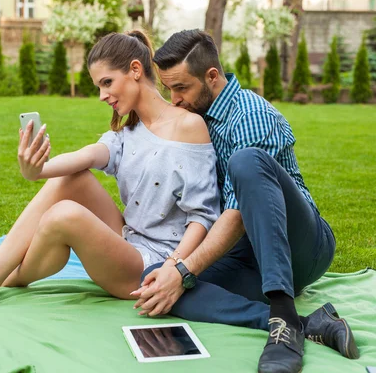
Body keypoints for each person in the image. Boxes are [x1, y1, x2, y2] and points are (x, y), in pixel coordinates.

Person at [0, 31, 220, 313]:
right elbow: (86, 156)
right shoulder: (129, 131)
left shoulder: (188, 126)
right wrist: (36, 171)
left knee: (64, 215)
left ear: (134, 69)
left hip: (153, 265)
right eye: (98, 87)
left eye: (107, 82)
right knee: (69, 178)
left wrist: (175, 271)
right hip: (128, 241)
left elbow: (202, 216)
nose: (102, 95)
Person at [131, 29, 359, 373]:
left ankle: (283, 323)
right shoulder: (195, 120)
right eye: (170, 89)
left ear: (211, 77)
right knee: (156, 283)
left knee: (245, 162)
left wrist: (184, 268)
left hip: (301, 246)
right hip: (247, 253)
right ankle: (304, 323)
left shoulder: (250, 113)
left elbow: (237, 213)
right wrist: (173, 273)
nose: (174, 99)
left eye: (181, 88)